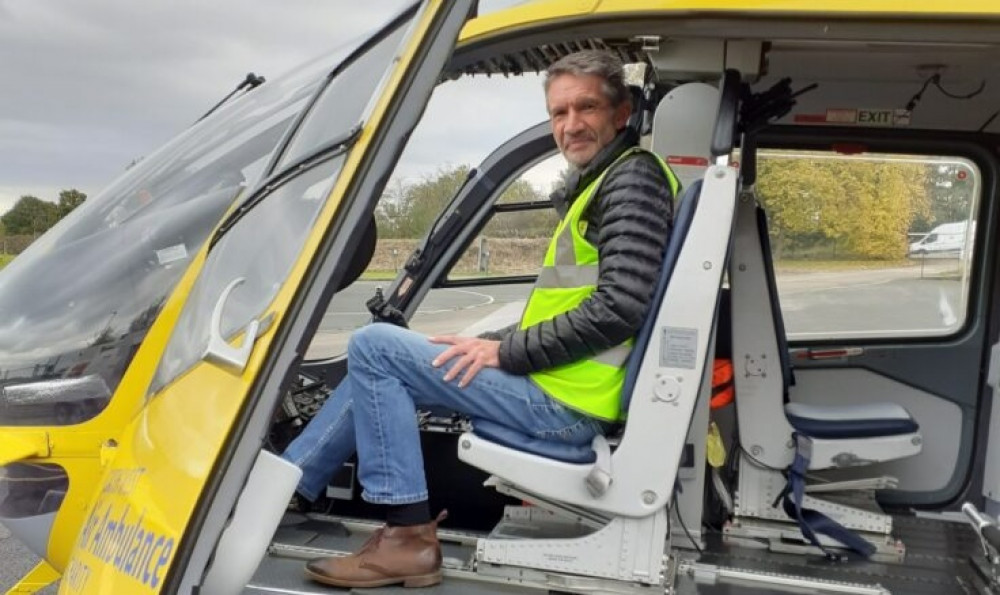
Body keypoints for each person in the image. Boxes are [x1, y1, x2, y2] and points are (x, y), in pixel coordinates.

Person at [282, 49, 679, 589]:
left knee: (375, 345)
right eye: (559, 113)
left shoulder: (631, 183)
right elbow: (570, 306)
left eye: (586, 108)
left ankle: (407, 537)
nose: (571, 125)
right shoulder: (606, 182)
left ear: (622, 112)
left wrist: (504, 352)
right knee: (384, 358)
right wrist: (486, 341)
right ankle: (288, 489)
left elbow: (619, 308)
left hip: (565, 405)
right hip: (562, 386)